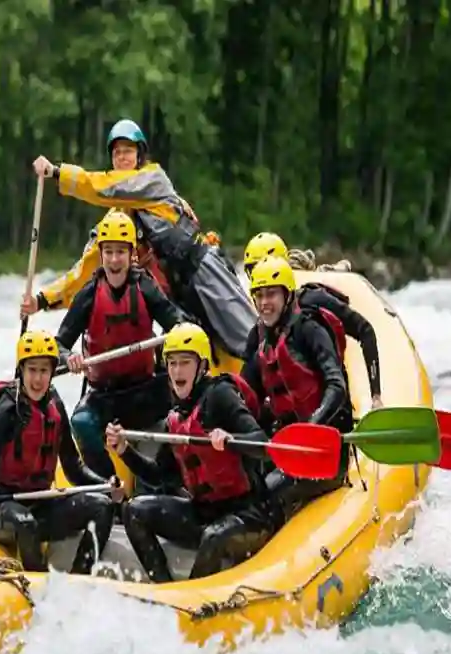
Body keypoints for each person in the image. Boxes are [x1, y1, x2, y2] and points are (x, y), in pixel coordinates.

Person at [22, 119, 257, 358]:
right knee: (201, 355)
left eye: (128, 151)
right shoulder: (118, 220)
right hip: (178, 295)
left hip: (203, 271)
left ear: (140, 155)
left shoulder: (152, 179)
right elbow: (86, 268)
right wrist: (42, 300)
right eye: (116, 153)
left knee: (248, 339)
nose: (122, 157)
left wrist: (57, 172)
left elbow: (103, 187)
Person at [105, 323, 278, 583]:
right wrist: (124, 451)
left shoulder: (221, 395)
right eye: (172, 363)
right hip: (203, 512)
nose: (177, 371)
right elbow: (158, 476)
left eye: (185, 362)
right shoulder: (176, 417)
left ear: (203, 366)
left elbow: (263, 445)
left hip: (248, 514)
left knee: (214, 536)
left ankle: (194, 604)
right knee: (134, 510)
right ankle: (163, 589)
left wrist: (232, 439)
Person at [0, 331, 120, 575]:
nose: (38, 379)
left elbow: (73, 467)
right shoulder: (6, 410)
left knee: (103, 507)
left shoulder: (55, 405)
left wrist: (105, 484)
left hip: (41, 504)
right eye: (32, 370)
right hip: (4, 509)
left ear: (52, 372)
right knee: (24, 522)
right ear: (21, 370)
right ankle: (39, 588)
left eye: (44, 370)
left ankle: (80, 578)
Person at [54, 209, 190, 479]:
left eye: (121, 252)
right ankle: (108, 488)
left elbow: (178, 322)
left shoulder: (145, 287)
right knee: (81, 422)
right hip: (104, 397)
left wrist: (171, 343)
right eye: (109, 252)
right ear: (101, 254)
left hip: (146, 392)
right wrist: (69, 357)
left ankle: (159, 485)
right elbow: (58, 345)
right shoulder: (89, 295)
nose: (115, 260)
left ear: (131, 255)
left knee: (178, 417)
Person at [242, 255, 353, 518]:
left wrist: (311, 427)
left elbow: (336, 386)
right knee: (246, 485)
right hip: (288, 447)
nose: (265, 303)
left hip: (326, 452)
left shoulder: (309, 329)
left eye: (272, 295)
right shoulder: (259, 340)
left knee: (266, 494)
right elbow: (246, 398)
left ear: (287, 295)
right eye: (259, 296)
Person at [241, 231, 383, 410]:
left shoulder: (312, 305)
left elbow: (365, 330)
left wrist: (376, 397)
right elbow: (245, 385)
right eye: (253, 270)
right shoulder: (259, 331)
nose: (260, 276)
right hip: (289, 419)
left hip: (327, 411)